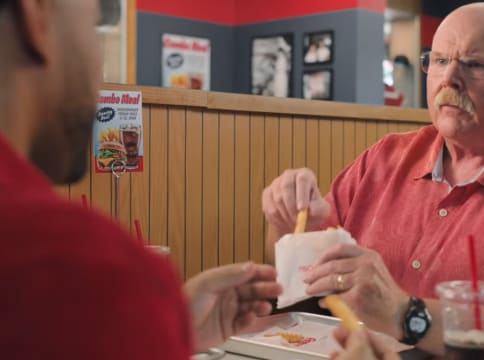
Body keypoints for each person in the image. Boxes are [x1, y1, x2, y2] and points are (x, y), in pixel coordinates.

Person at [262, 3, 484, 359]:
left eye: (475, 65)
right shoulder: (383, 159)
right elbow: (297, 285)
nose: (449, 78)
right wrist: (287, 228)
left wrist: (407, 314)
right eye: (438, 61)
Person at [0, 0, 283, 358]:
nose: (99, 61)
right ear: (36, 15)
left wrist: (166, 324)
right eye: (95, 25)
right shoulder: (84, 269)